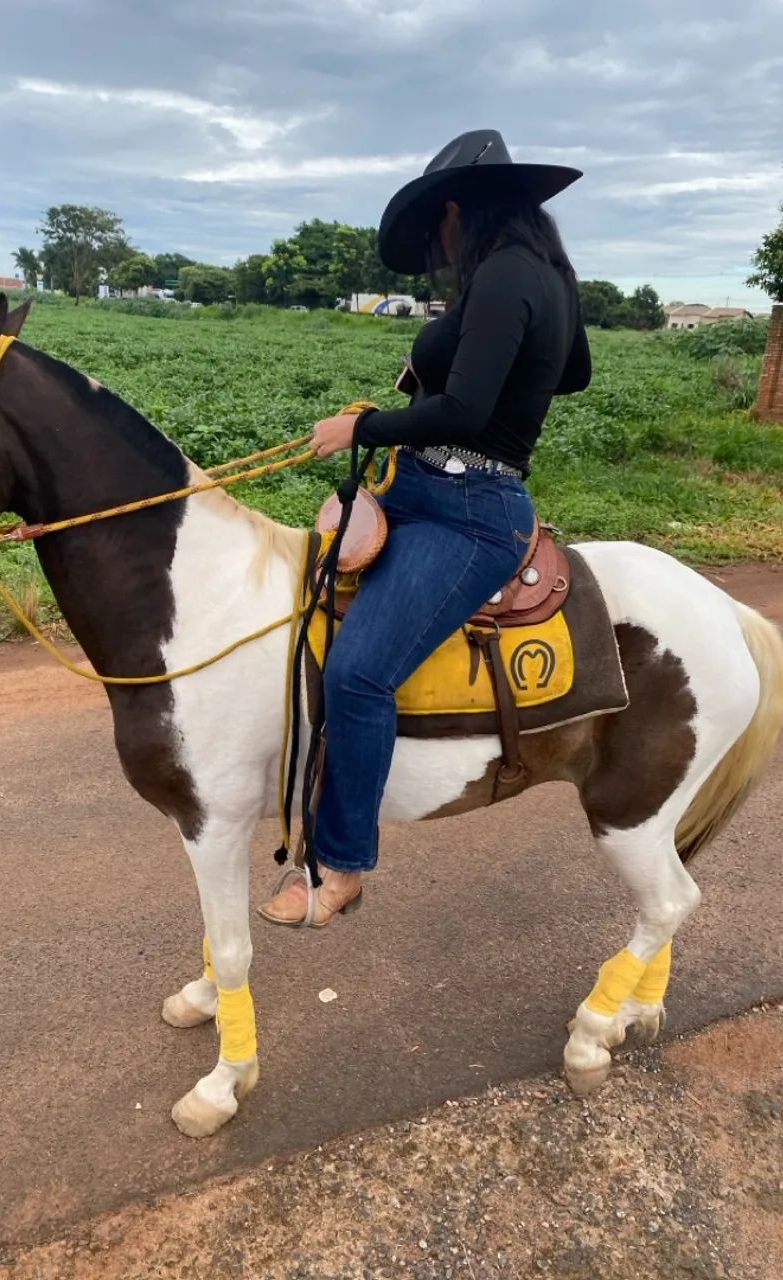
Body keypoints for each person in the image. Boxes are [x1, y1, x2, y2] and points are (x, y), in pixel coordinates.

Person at [259, 129, 592, 928]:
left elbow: (469, 412)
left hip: (470, 508)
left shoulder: (508, 275)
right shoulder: (541, 275)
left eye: (437, 231)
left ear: (454, 211)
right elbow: (573, 373)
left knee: (358, 672)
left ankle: (340, 863)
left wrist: (363, 428)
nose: (438, 249)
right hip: (422, 486)